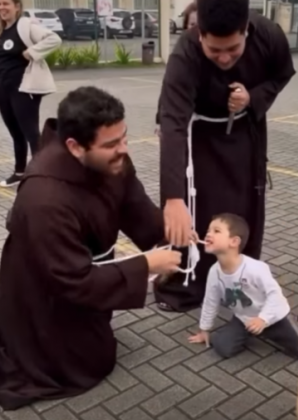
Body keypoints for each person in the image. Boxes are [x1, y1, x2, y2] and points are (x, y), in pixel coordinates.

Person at [0, 86, 183, 410]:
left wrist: (172, 233)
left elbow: (134, 205)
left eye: (124, 137)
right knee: (85, 364)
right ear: (74, 146)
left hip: (83, 272)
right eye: (111, 144)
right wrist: (147, 266)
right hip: (42, 288)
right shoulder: (45, 198)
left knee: (96, 345)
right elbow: (70, 280)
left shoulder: (110, 161)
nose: (123, 150)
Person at [154, 0, 296, 312]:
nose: (224, 58)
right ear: (199, 34)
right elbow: (173, 126)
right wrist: (173, 199)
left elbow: (282, 74)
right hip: (202, 136)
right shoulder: (185, 53)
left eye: (232, 48)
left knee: (245, 206)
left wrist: (252, 97)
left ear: (247, 30)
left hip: (246, 133)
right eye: (214, 49)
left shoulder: (270, 35)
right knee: (200, 207)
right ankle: (194, 285)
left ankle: (241, 278)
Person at [189, 213, 298, 359]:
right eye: (208, 231)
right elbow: (210, 301)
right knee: (222, 348)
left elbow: (276, 296)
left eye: (216, 231)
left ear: (234, 241)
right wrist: (204, 329)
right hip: (244, 319)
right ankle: (252, 331)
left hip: (275, 317)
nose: (208, 234)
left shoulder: (255, 268)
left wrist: (263, 319)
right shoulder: (214, 272)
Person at [0, 0, 61, 188]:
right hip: (3, 89)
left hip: (24, 88)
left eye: (6, 3)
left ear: (17, 7)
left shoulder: (25, 25)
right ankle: (19, 172)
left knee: (31, 134)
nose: (2, 8)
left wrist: (32, 52)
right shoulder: (2, 30)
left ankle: (41, 176)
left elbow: (54, 39)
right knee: (16, 133)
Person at [154, 1, 197, 135]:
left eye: (201, 26)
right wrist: (161, 121)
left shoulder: (217, 54)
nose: (196, 30)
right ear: (185, 27)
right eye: (192, 25)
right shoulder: (180, 56)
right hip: (183, 120)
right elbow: (167, 90)